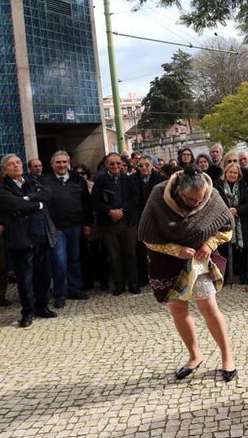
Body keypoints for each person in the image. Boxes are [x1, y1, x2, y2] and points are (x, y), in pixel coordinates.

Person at [138, 165, 238, 382]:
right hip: (167, 261)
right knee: (178, 309)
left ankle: (227, 357)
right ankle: (195, 355)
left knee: (209, 307)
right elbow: (147, 236)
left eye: (201, 199)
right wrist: (176, 250)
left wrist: (210, 245)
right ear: (180, 191)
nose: (197, 204)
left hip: (200, 260)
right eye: (192, 200)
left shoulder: (213, 195)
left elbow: (227, 228)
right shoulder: (158, 194)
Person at [0, 154, 58, 327]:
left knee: (43, 275)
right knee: (25, 279)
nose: (16, 166)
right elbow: (13, 205)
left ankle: (42, 307)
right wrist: (35, 204)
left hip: (41, 235)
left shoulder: (33, 181)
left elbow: (47, 193)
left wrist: (27, 199)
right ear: (5, 170)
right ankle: (27, 312)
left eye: (17, 162)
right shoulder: (1, 188)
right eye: (11, 164)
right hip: (20, 239)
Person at [41, 151, 93, 308]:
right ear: (52, 164)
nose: (62, 165)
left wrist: (87, 223)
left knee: (74, 259)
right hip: (56, 228)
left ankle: (75, 289)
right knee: (59, 261)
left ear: (69, 162)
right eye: (58, 162)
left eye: (64, 162)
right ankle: (60, 294)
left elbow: (86, 203)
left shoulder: (78, 179)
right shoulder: (44, 181)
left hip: (75, 226)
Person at [92, 153, 141, 295]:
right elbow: (95, 201)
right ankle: (119, 284)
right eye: (112, 164)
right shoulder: (100, 180)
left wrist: (122, 211)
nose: (115, 166)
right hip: (109, 223)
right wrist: (109, 211)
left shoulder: (128, 179)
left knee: (131, 254)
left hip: (128, 222)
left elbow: (135, 198)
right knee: (114, 255)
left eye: (118, 163)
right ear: (106, 165)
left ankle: (133, 283)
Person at [129, 155, 167, 284]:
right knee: (140, 250)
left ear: (152, 166)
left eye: (147, 165)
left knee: (157, 249)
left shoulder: (161, 180)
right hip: (139, 218)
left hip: (156, 218)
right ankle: (143, 277)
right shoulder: (131, 180)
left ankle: (158, 276)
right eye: (141, 165)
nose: (144, 168)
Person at [217, 163, 248, 284]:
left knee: (242, 249)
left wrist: (236, 210)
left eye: (235, 173)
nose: (233, 175)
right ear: (225, 173)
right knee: (224, 249)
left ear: (239, 174)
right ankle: (224, 276)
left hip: (241, 222)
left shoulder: (243, 185)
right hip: (224, 222)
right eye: (230, 172)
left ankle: (243, 274)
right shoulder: (218, 186)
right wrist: (228, 212)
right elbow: (216, 203)